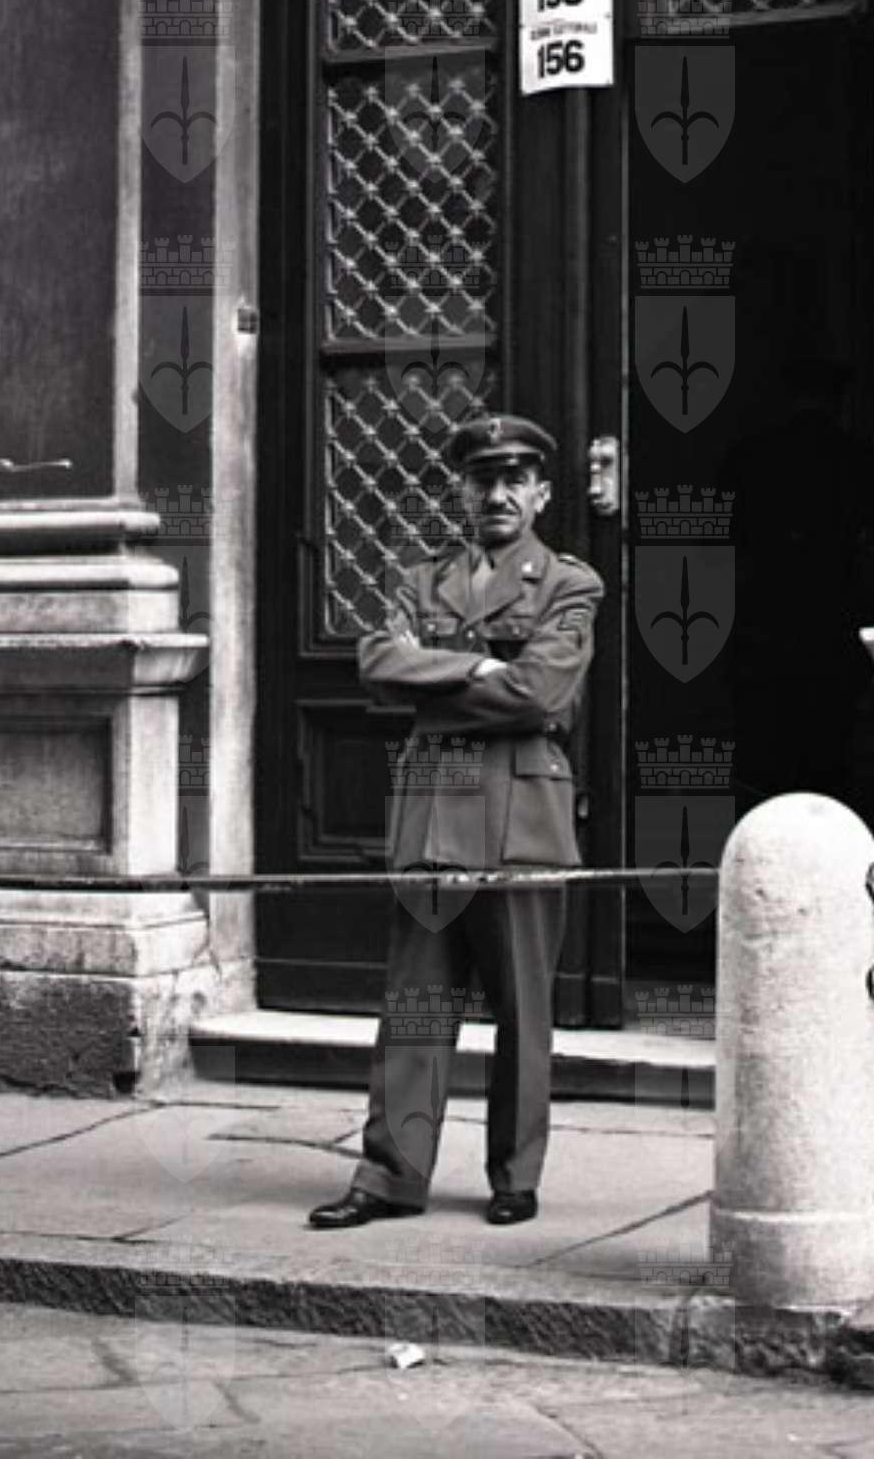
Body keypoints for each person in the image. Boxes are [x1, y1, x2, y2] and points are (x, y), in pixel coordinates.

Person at [308, 413, 603, 1230]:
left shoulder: (570, 584)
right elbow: (378, 666)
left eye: (515, 480)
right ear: (460, 493)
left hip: (520, 815)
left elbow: (540, 693)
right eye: (482, 480)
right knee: (415, 1006)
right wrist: (479, 665)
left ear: (541, 495)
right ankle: (390, 1177)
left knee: (523, 1010)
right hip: (432, 813)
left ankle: (515, 1175)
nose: (497, 494)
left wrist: (432, 688)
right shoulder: (419, 581)